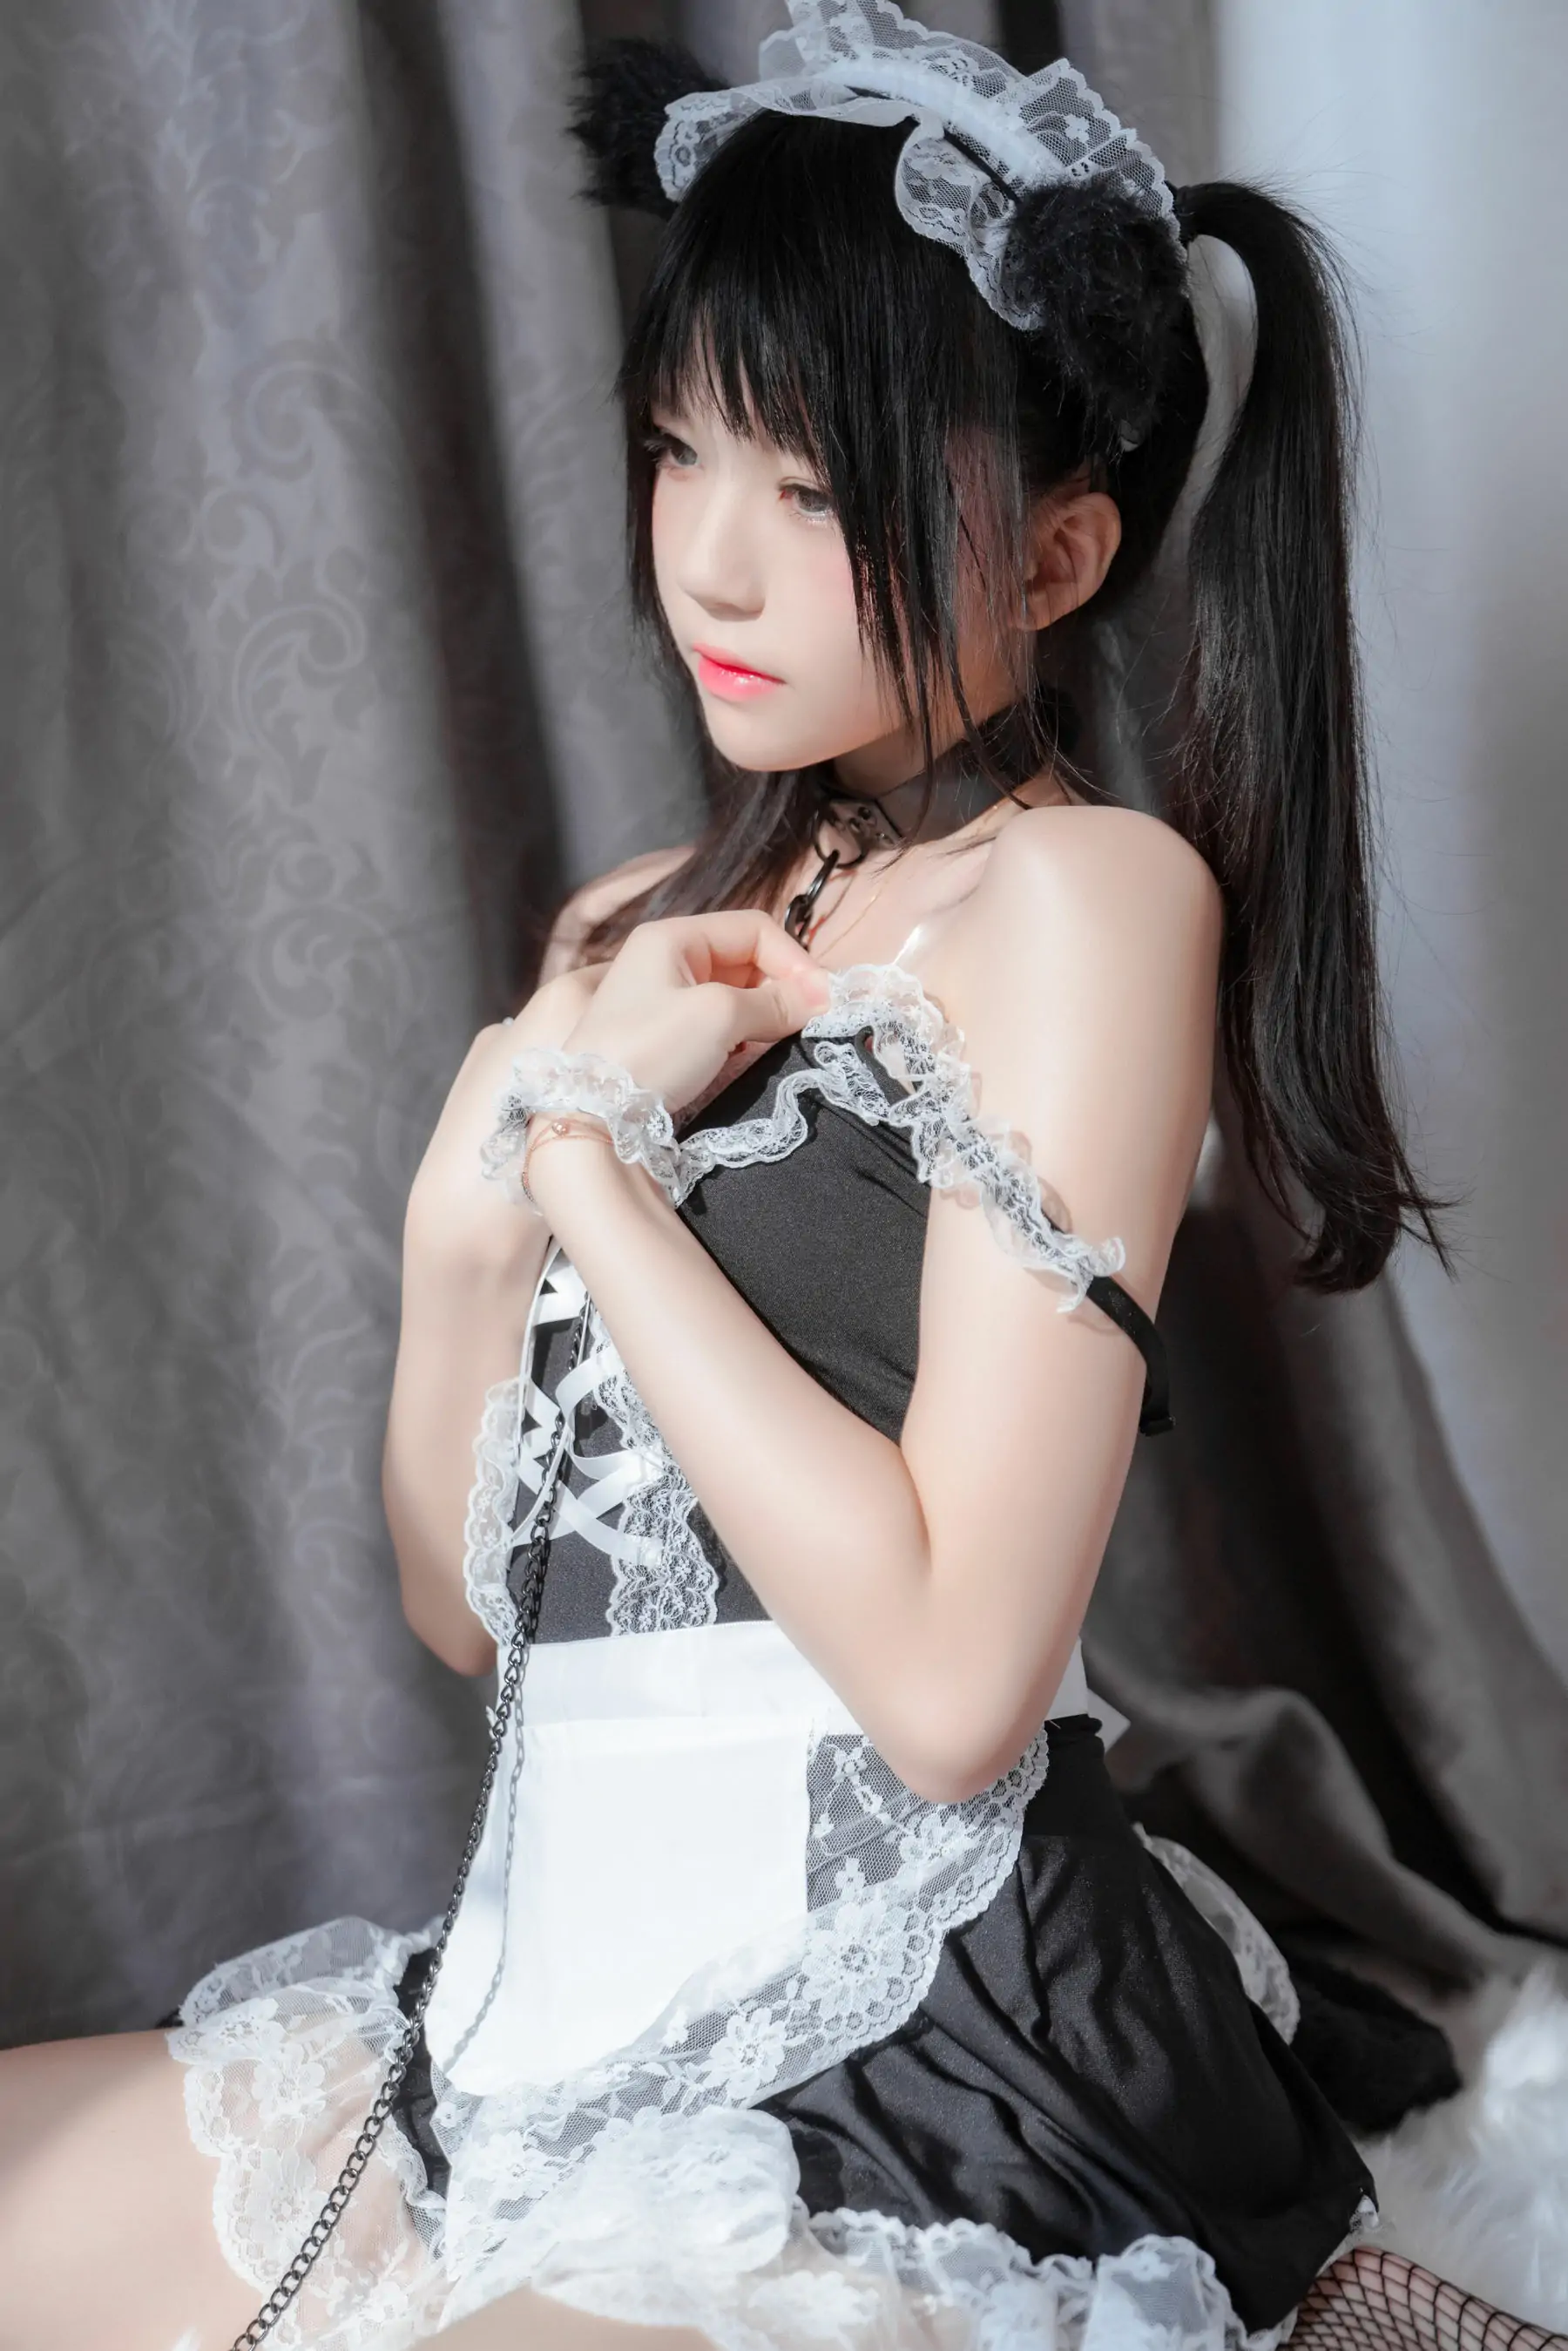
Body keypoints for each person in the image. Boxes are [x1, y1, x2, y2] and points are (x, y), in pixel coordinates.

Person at [0, 6, 1463, 2348]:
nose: (710, 559)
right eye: (686, 449)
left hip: (918, 2036)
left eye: (816, 488)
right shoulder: (633, 924)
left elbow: (955, 1688)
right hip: (543, 2003)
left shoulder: (1081, 903)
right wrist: (462, 1222)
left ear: (1059, 551)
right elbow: (472, 1608)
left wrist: (586, 1168)